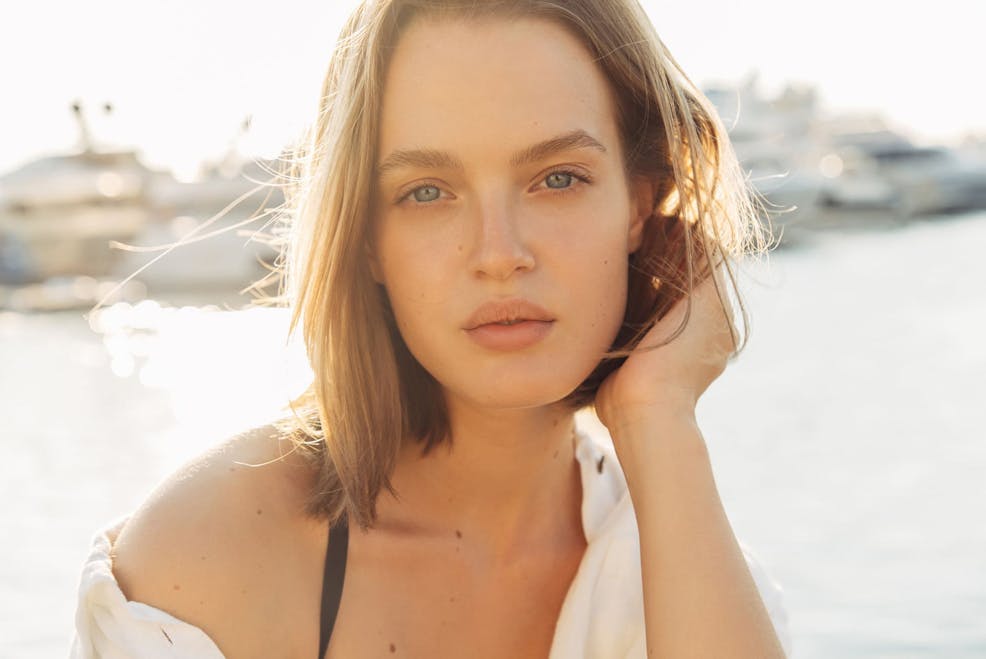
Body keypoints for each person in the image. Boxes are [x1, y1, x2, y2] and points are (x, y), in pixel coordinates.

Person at [71, 0, 792, 657]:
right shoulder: (205, 563)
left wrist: (659, 418)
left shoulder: (685, 567)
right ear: (365, 238)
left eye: (559, 178)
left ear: (640, 205)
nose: (500, 253)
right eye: (427, 192)